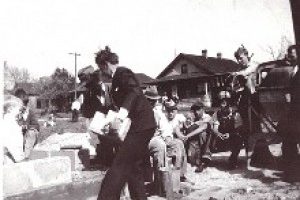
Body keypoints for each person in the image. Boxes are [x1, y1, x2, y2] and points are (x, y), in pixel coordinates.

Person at [96, 46, 156, 200]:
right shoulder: (116, 81)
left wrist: (120, 117)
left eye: (101, 69)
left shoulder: (123, 72)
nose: (102, 73)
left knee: (119, 164)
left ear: (106, 64)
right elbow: (118, 103)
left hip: (141, 125)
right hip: (142, 126)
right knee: (132, 168)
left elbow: (133, 92)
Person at [280, 45, 300, 180]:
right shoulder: (294, 70)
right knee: (288, 142)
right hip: (294, 112)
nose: (289, 58)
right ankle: (293, 173)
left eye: (292, 55)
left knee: (290, 141)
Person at [210, 98, 244, 169]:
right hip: (220, 135)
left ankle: (233, 159)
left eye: (224, 104)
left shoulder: (236, 115)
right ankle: (205, 158)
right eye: (221, 105)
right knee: (210, 135)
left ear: (229, 106)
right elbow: (215, 127)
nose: (222, 107)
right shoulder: (217, 114)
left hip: (233, 135)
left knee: (238, 139)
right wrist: (218, 133)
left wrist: (230, 134)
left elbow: (238, 129)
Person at [183, 102, 217, 172]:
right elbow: (188, 127)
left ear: (202, 109)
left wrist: (187, 136)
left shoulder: (207, 117)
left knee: (202, 133)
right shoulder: (195, 118)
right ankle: (191, 156)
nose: (196, 112)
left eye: (198, 110)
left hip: (210, 140)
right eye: (194, 110)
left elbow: (202, 128)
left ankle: (205, 157)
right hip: (198, 140)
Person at [14, 88, 40, 158]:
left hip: (27, 136)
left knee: (32, 132)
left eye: (25, 104)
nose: (23, 107)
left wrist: (26, 127)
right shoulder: (14, 113)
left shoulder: (30, 112)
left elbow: (36, 126)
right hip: (18, 136)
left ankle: (26, 157)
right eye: (21, 105)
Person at [3, 95, 26, 164]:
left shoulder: (8, 122)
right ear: (11, 109)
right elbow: (12, 144)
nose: (21, 111)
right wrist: (21, 159)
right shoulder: (10, 124)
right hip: (10, 162)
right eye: (19, 109)